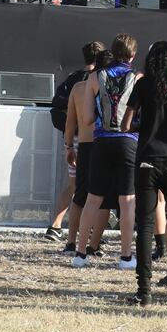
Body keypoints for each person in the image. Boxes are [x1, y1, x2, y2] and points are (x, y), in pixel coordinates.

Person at [122, 40, 167, 307]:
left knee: (144, 225)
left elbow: (125, 124)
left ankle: (144, 291)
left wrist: (144, 127)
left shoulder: (143, 84)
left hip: (147, 161)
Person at [73, 33, 140, 269]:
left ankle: (80, 254)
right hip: (128, 141)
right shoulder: (137, 77)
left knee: (93, 199)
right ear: (133, 54)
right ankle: (125, 257)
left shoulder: (95, 77)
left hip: (101, 141)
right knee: (127, 200)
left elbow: (88, 118)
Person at [47, 41, 105, 243]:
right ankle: (90, 233)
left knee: (73, 185)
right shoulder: (100, 79)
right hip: (94, 139)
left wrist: (68, 144)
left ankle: (56, 225)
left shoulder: (73, 79)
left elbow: (61, 110)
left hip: (73, 138)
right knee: (94, 188)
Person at [63, 46, 112, 257]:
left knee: (80, 196)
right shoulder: (114, 88)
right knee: (104, 199)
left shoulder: (78, 87)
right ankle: (93, 244)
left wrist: (68, 147)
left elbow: (70, 122)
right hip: (105, 144)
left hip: (84, 145)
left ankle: (71, 242)